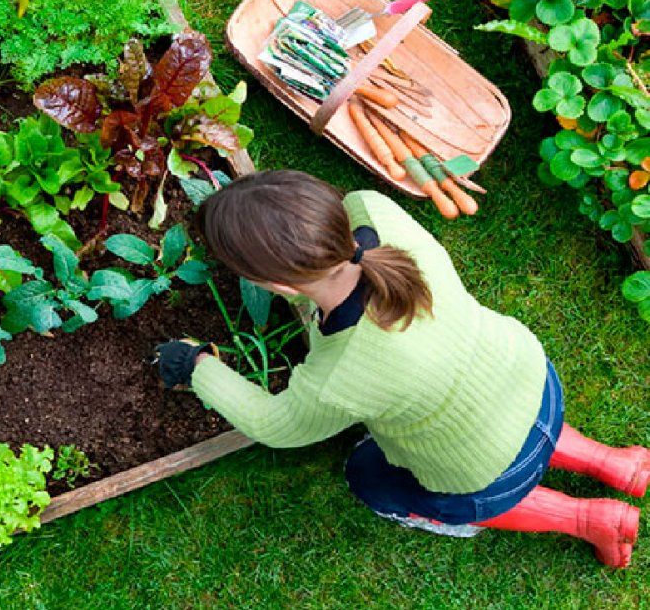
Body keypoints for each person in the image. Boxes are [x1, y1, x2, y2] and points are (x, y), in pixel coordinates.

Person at [155, 170, 648, 567]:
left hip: (487, 470)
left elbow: (274, 425)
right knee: (498, 416)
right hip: (533, 379)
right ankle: (615, 463)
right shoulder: (375, 211)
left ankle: (587, 519)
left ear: (277, 286)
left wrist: (195, 365)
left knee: (369, 476)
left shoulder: (339, 377)